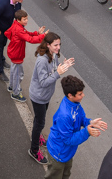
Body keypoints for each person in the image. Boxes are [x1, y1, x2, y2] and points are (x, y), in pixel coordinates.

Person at [45, 76, 108, 179]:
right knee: (54, 176)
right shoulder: (64, 115)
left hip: (67, 152)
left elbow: (82, 118)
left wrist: (90, 122)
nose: (83, 95)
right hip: (58, 153)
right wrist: (86, 131)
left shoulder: (76, 104)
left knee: (66, 174)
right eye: (80, 94)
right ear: (70, 95)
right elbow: (68, 139)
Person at [28, 32, 74, 165]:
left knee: (40, 119)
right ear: (47, 45)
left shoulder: (52, 55)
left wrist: (62, 65)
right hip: (39, 97)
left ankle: (38, 138)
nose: (58, 47)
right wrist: (58, 73)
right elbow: (43, 82)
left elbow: (54, 69)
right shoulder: (42, 60)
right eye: (55, 45)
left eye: (59, 44)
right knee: (40, 122)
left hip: (45, 96)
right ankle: (34, 149)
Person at [4, 10, 47, 102]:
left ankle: (12, 87)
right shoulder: (19, 29)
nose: (27, 21)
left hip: (14, 53)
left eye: (27, 19)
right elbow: (30, 39)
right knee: (18, 75)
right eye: (24, 19)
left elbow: (27, 34)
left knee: (13, 71)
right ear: (18, 20)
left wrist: (37, 33)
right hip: (17, 55)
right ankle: (15, 93)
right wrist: (42, 36)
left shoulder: (17, 26)